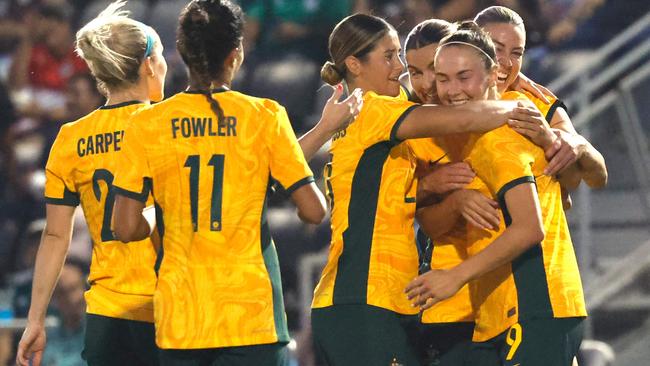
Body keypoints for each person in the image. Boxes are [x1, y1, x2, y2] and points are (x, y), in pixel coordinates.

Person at [110, 1, 356, 365]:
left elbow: (125, 227)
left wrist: (166, 207)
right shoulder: (264, 115)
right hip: (251, 314)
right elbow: (313, 210)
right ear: (237, 53)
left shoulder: (147, 124)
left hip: (182, 316)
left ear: (182, 51)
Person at [309, 13, 541, 365]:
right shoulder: (374, 109)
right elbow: (465, 116)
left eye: (400, 56)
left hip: (360, 300)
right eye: (389, 56)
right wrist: (527, 107)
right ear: (354, 64)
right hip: (366, 298)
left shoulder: (356, 114)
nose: (399, 68)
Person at [406, 22, 587, 366]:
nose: (449, 90)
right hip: (498, 313)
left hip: (535, 304)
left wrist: (454, 276)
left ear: (493, 76)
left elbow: (530, 228)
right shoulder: (471, 133)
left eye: (463, 77)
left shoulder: (500, 136)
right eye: (442, 78)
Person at [16, 2, 166, 365]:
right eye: (160, 55)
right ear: (147, 65)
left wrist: (35, 319)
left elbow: (54, 237)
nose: (165, 64)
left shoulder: (70, 138)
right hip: (167, 306)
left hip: (105, 313)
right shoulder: (168, 124)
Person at [474, 6, 607, 189]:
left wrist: (578, 144)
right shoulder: (445, 103)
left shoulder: (537, 102)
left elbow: (588, 179)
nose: (507, 62)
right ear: (471, 44)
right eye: (497, 49)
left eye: (517, 53)